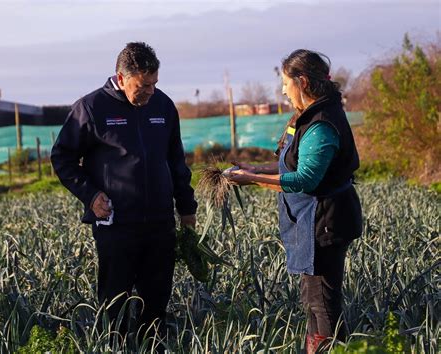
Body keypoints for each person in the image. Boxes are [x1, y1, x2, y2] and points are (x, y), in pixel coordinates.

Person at [51, 42, 197, 346]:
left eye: (154, 84)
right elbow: (62, 158)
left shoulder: (164, 106)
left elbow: (176, 162)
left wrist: (187, 210)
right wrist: (90, 195)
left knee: (155, 304)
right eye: (142, 86)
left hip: (160, 224)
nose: (149, 92)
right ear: (121, 77)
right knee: (114, 304)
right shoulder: (91, 108)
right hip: (116, 226)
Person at [228, 49, 362, 353]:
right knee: (312, 297)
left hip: (325, 222)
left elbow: (305, 179)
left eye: (285, 84)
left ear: (302, 82)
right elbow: (292, 164)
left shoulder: (321, 124)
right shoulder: (308, 115)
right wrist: (254, 168)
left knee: (323, 302)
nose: (283, 91)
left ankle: (335, 348)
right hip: (311, 222)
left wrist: (251, 180)